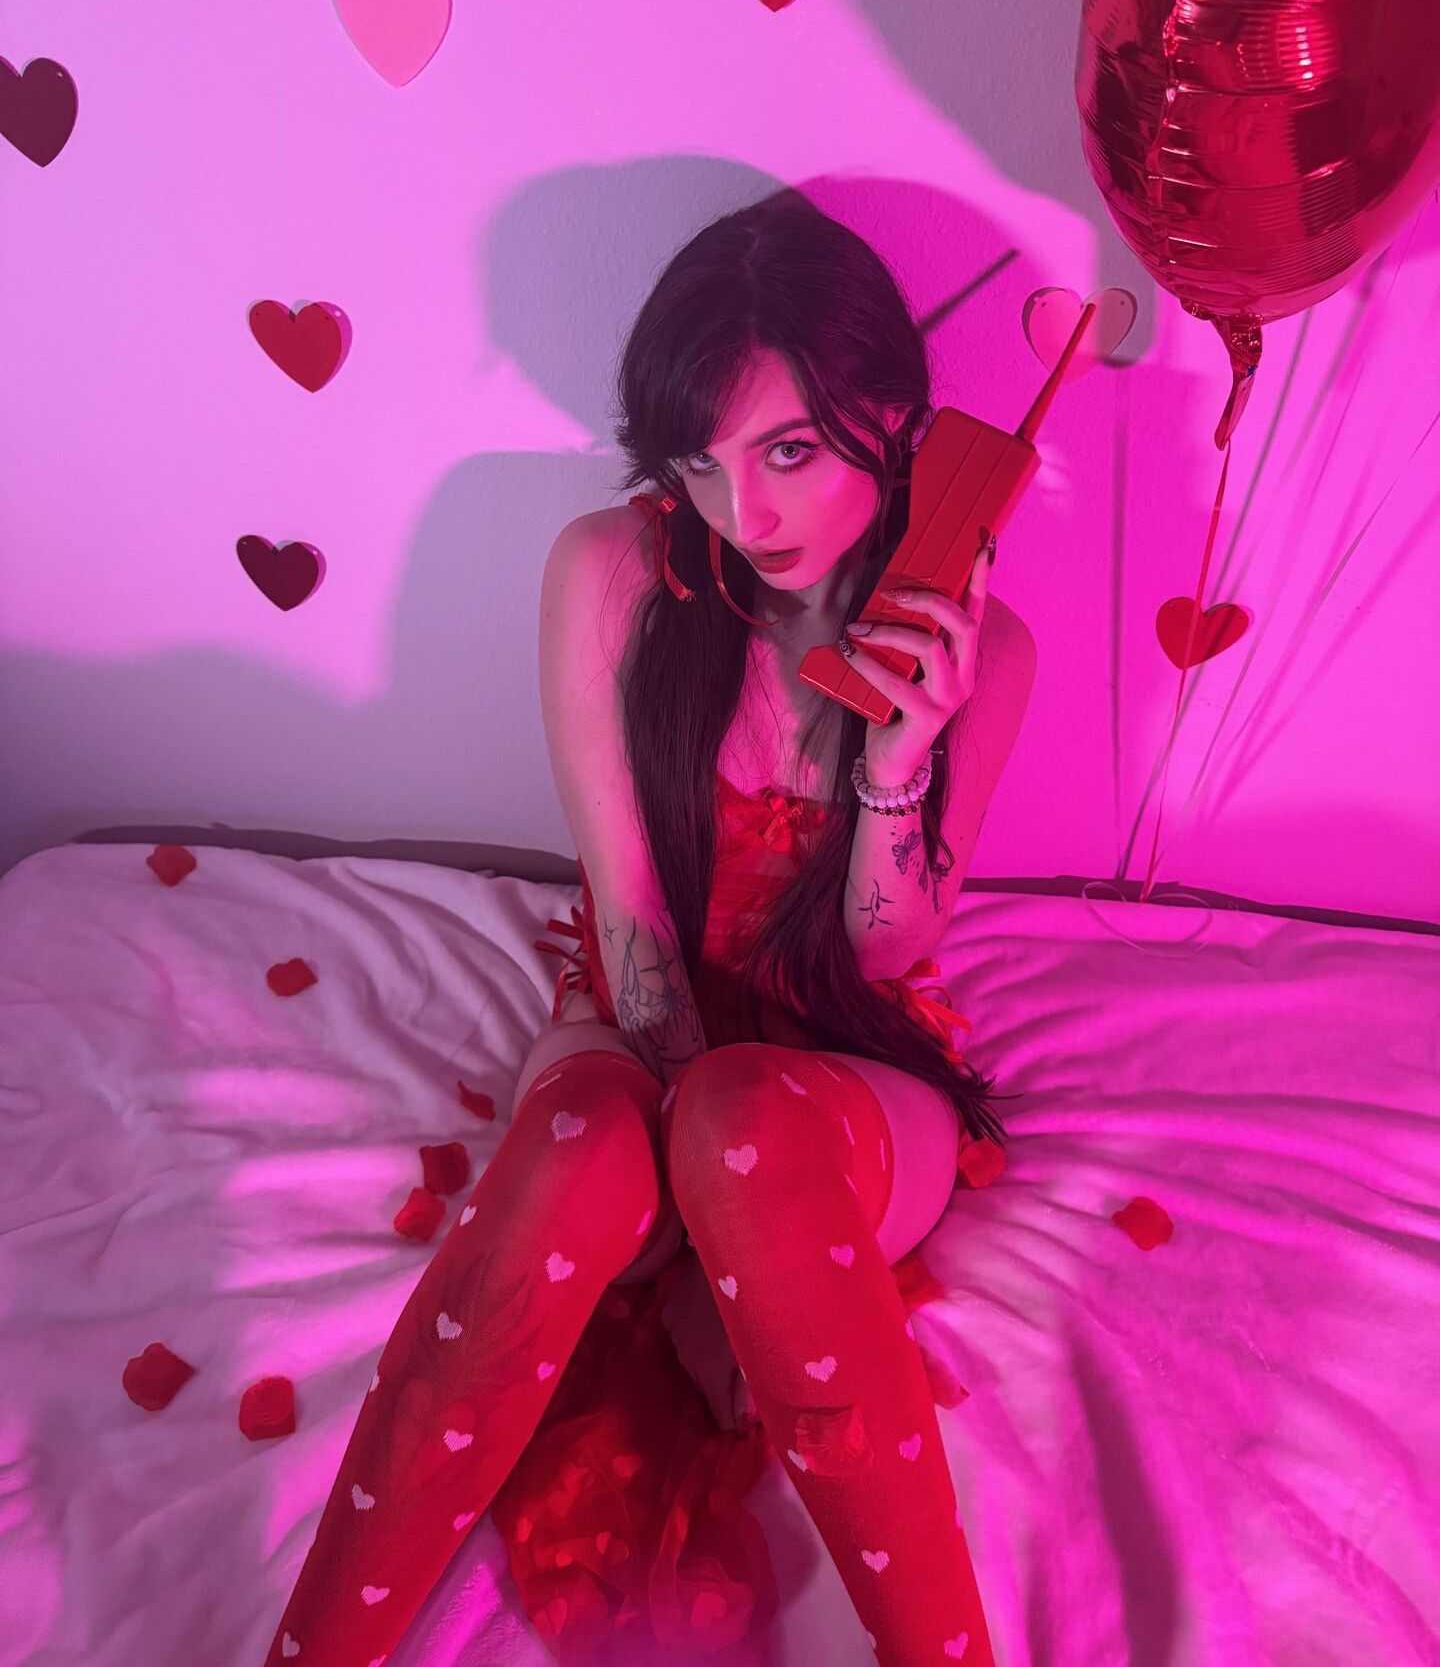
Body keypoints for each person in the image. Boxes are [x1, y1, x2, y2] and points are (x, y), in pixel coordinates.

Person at [261, 188, 1037, 1667]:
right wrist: (688, 1252)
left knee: (748, 1120)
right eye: (701, 462)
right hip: (642, 1013)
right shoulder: (613, 573)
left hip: (846, 1066)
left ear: (894, 418)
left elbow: (882, 957)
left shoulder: (988, 649)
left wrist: (897, 761)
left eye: (790, 450)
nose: (745, 517)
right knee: (581, 1151)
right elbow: (629, 915)